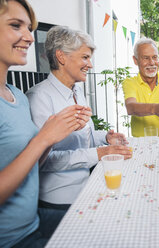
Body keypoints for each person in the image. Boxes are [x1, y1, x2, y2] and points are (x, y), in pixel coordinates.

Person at [0, 1, 91, 247]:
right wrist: (44, 139)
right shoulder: (36, 96)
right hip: (11, 238)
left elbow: (33, 163)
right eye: (16, 25)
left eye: (29, 29)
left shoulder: (16, 96)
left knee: (106, 228)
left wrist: (51, 139)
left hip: (32, 222)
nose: (29, 37)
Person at [26, 25, 133, 210]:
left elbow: (81, 137)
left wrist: (105, 138)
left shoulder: (77, 90)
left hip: (86, 188)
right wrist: (99, 154)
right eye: (85, 57)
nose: (90, 65)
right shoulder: (39, 97)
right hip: (59, 202)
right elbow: (43, 160)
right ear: (61, 57)